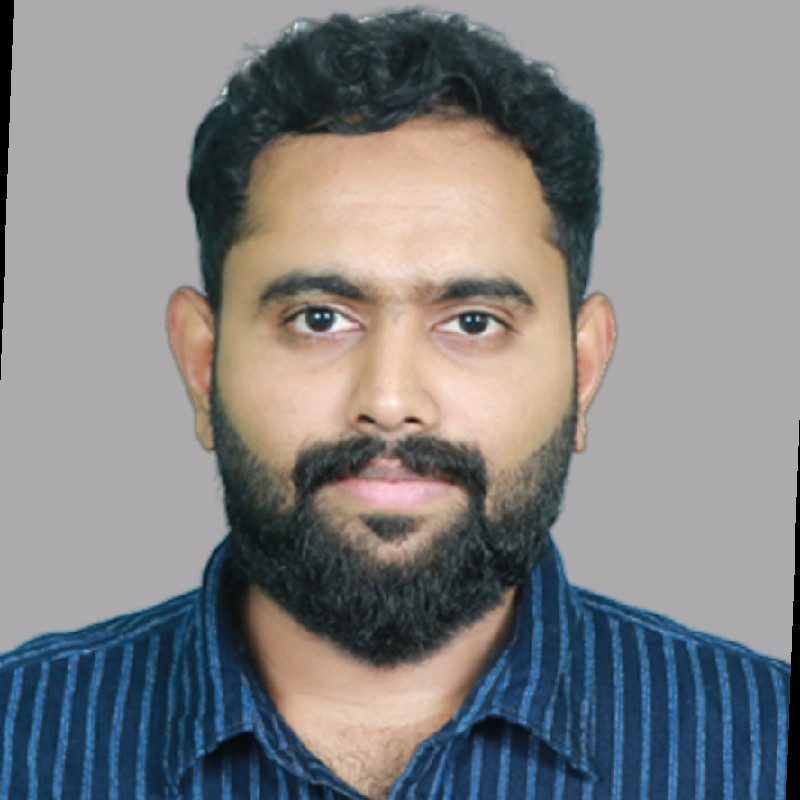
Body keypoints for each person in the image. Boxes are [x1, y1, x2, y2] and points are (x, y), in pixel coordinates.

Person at [0, 9, 790, 799]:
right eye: (319, 319)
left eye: (473, 323)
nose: (388, 401)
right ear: (202, 364)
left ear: (583, 371)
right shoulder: (18, 735)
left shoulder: (766, 746)